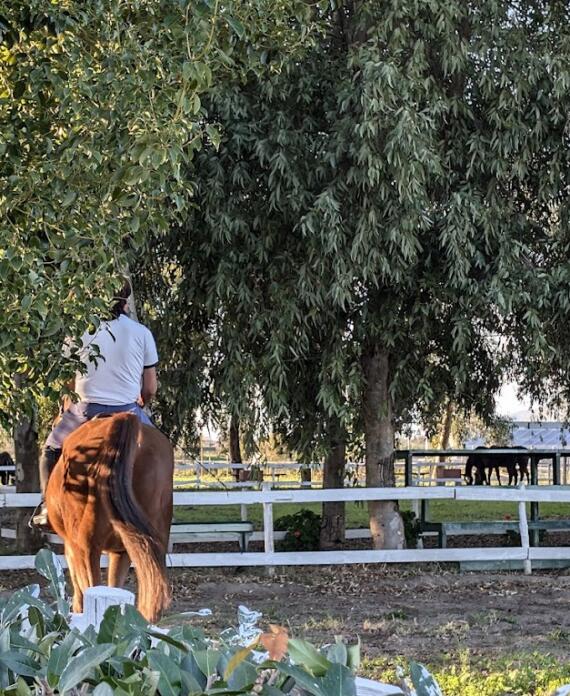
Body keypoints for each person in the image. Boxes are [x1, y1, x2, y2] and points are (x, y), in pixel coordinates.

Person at [31, 280, 159, 529]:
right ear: (125, 302)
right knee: (156, 450)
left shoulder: (78, 331)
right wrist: (142, 402)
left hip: (84, 411)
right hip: (129, 411)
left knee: (49, 449)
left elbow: (68, 383)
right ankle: (159, 507)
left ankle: (47, 507)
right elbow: (150, 388)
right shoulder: (142, 333)